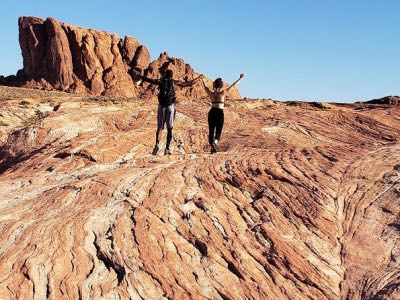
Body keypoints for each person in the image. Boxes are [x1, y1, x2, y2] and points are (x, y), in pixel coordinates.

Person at [134, 69, 203, 155]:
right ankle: (167, 149)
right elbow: (188, 83)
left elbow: (149, 80)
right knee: (170, 128)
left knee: (159, 127)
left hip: (161, 106)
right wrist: (199, 77)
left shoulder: (160, 81)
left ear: (165, 75)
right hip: (170, 106)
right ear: (171, 76)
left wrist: (140, 76)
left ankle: (157, 144)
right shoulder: (174, 82)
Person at [201, 73, 245, 153]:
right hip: (219, 112)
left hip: (212, 112)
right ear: (221, 85)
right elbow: (233, 86)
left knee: (211, 130)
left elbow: (205, 87)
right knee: (218, 131)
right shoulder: (223, 93)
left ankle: (212, 147)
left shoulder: (211, 93)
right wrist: (240, 78)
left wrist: (202, 79)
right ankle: (214, 143)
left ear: (214, 85)